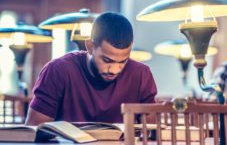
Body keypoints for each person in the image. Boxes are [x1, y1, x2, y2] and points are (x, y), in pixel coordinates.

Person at [25, 12, 157, 125]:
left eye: (123, 61)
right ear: (90, 46)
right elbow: (34, 131)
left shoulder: (141, 74)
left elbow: (151, 134)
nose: (114, 70)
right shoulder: (57, 70)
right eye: (107, 60)